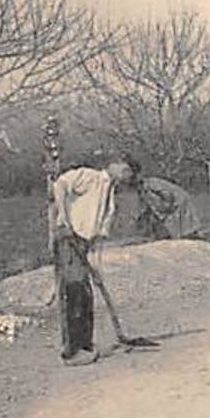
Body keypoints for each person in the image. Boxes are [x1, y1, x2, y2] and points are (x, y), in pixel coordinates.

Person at [50, 157, 137, 366]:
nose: (126, 175)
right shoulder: (90, 177)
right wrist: (63, 216)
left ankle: (86, 344)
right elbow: (60, 184)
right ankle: (71, 352)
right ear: (114, 164)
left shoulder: (110, 192)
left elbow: (100, 229)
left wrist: (96, 264)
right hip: (70, 239)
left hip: (86, 243)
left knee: (86, 293)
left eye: (129, 173)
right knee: (75, 291)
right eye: (125, 169)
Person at [134, 173, 202, 240]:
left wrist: (162, 209)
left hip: (178, 202)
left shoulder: (152, 184)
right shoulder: (142, 190)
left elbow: (167, 197)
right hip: (169, 204)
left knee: (179, 227)